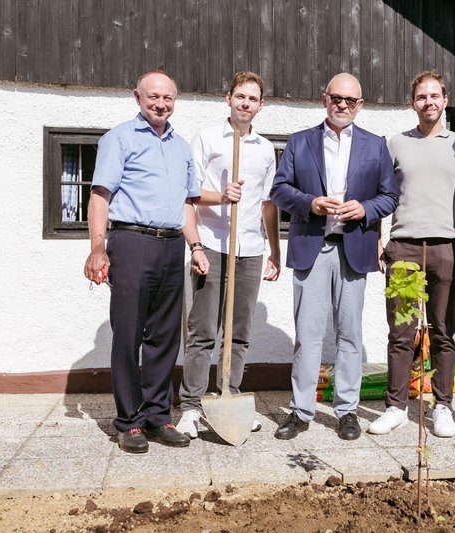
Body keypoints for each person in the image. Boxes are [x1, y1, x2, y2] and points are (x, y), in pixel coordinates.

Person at [83, 70, 210, 454]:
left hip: (172, 246)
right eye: (153, 97)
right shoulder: (119, 138)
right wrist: (97, 247)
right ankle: (129, 422)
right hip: (131, 241)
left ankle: (157, 416)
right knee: (128, 334)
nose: (160, 104)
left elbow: (187, 203)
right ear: (137, 97)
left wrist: (196, 246)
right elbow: (100, 197)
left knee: (165, 336)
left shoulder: (181, 146)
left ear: (175, 101)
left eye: (168, 98)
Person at [270, 73, 398, 441]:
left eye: (351, 101)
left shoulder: (376, 146)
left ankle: (346, 411)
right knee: (307, 336)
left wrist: (366, 208)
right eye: (337, 98)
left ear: (361, 105)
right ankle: (301, 411)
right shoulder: (299, 142)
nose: (343, 105)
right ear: (324, 99)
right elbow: (279, 189)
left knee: (350, 335)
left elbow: (390, 196)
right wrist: (309, 203)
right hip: (312, 245)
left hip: (354, 249)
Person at [176, 71, 280, 438]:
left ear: (260, 106)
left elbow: (268, 204)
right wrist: (221, 197)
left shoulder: (265, 149)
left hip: (250, 248)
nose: (245, 104)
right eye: (240, 97)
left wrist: (274, 251)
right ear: (228, 98)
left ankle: (230, 394)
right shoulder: (207, 138)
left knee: (239, 334)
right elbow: (188, 193)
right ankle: (190, 405)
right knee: (203, 331)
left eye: (252, 99)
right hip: (213, 244)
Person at [368, 71, 455, 438]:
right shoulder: (395, 144)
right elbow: (380, 195)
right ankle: (396, 407)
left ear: (445, 99)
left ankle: (443, 406)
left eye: (434, 96)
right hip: (405, 247)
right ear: (413, 103)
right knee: (402, 333)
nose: (428, 102)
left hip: (445, 247)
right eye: (421, 97)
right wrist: (378, 239)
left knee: (442, 331)